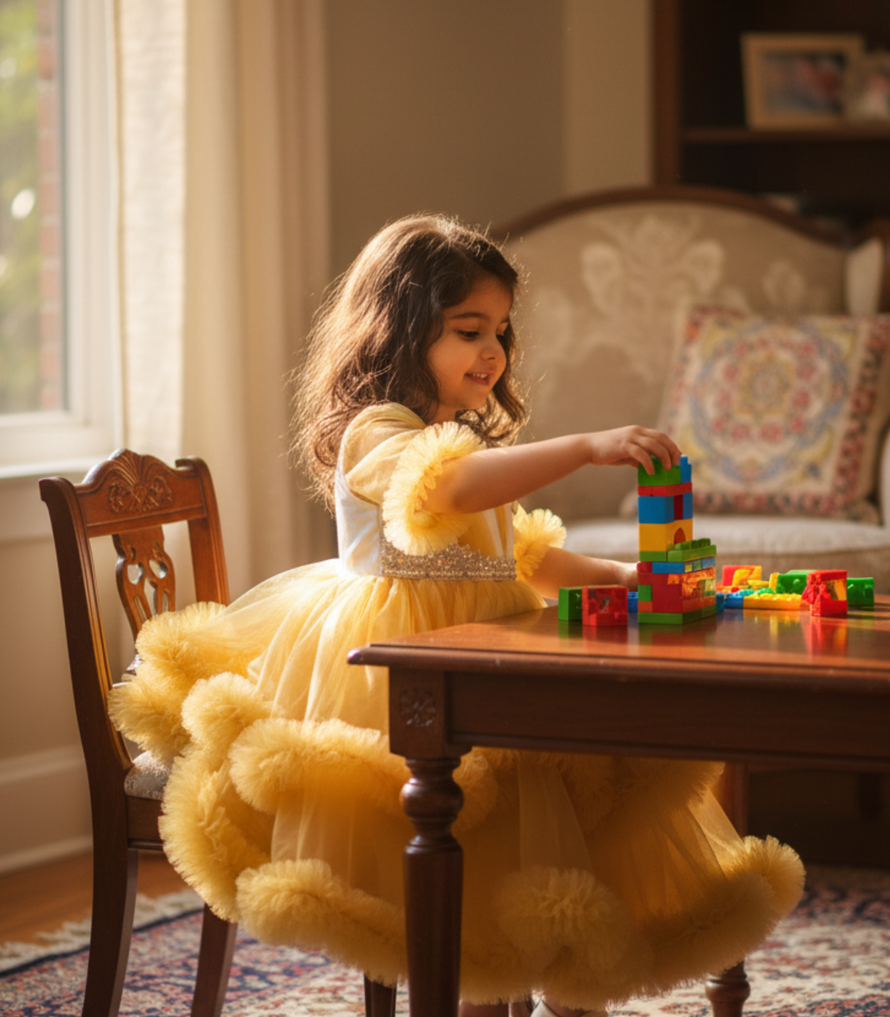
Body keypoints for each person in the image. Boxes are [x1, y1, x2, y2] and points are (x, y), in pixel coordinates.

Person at [109, 214, 804, 1017]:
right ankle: (478, 982)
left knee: (557, 798)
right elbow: (443, 493)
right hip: (389, 666)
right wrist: (584, 447)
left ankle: (550, 978)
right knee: (474, 825)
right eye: (469, 330)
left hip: (482, 655)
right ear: (401, 330)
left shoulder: (457, 436)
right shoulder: (380, 430)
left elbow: (510, 557)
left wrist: (622, 574)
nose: (494, 352)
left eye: (501, 332)